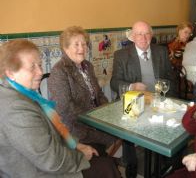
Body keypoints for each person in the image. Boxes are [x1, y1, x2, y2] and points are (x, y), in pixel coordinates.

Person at [0, 39, 120, 178]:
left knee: (103, 160)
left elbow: (52, 132)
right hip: (37, 172)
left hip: (46, 160)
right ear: (10, 73)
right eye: (32, 67)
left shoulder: (22, 93)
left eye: (39, 65)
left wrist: (75, 145)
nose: (40, 72)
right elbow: (51, 160)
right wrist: (80, 156)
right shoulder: (16, 109)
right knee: (106, 167)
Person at [110, 21, 176, 178]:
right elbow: (114, 83)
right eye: (139, 33)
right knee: (128, 129)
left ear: (151, 35)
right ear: (132, 36)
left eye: (147, 33)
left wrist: (171, 100)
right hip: (135, 103)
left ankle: (164, 164)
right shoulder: (121, 55)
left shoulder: (161, 51)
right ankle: (130, 164)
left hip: (158, 101)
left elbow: (170, 77)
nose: (143, 37)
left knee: (168, 131)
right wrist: (132, 86)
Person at [48, 26, 118, 155]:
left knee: (121, 129)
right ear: (65, 47)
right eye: (76, 44)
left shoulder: (88, 66)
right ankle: (103, 163)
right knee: (115, 136)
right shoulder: (59, 71)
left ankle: (106, 161)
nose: (82, 48)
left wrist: (108, 111)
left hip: (95, 121)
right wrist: (94, 117)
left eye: (84, 44)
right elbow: (63, 109)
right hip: (75, 127)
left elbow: (99, 94)